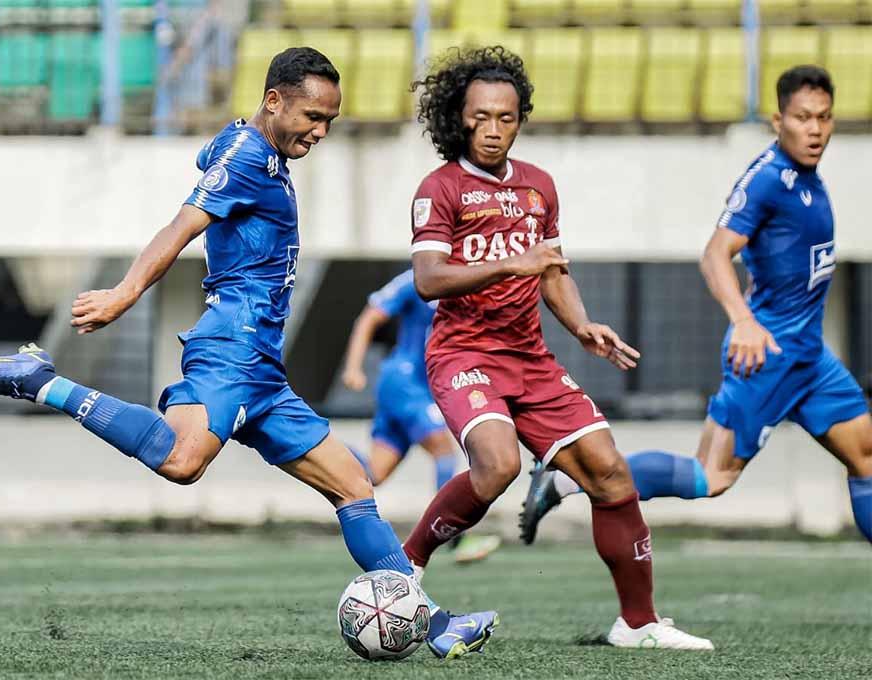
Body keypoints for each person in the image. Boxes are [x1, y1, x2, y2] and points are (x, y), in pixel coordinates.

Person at [0, 46, 498, 659]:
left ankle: (434, 621)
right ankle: (40, 380)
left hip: (262, 365)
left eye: (329, 123)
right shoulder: (246, 157)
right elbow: (181, 226)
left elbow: (213, 156)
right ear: (274, 100)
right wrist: (124, 294)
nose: (320, 132)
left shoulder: (252, 150)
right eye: (312, 117)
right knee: (184, 461)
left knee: (352, 484)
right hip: (232, 345)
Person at [402, 45, 712, 650]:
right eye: (481, 117)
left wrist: (583, 326)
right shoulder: (440, 188)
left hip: (531, 360)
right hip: (464, 355)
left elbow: (551, 271)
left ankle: (639, 624)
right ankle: (406, 566)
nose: (493, 130)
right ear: (458, 117)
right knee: (498, 465)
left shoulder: (540, 187)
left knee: (610, 473)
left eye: (506, 118)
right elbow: (428, 279)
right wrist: (514, 261)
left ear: (520, 119)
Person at [519, 65, 872, 547]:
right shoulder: (768, 180)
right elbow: (714, 254)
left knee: (866, 460)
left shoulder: (808, 177)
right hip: (766, 355)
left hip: (811, 358)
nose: (815, 129)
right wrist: (744, 321)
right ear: (777, 120)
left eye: (824, 118)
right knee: (710, 477)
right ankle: (563, 480)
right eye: (803, 117)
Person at [342, 268, 501, 564]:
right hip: (404, 382)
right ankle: (455, 539)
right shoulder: (419, 278)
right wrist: (353, 367)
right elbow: (369, 316)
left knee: (376, 473)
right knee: (443, 450)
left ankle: (322, 445)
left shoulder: (470, 280)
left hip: (418, 387)